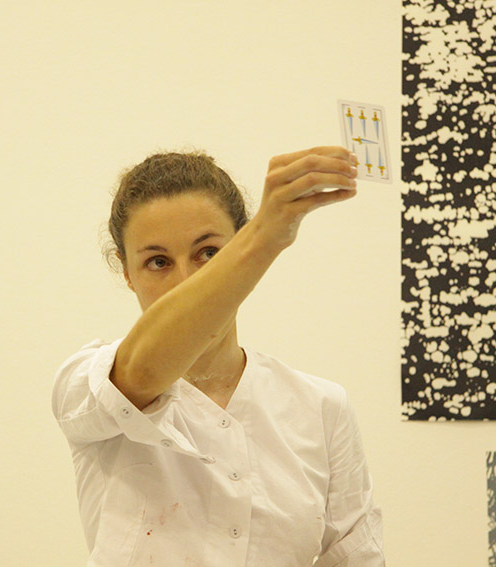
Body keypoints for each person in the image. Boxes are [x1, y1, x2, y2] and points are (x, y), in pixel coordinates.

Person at [52, 147, 385, 566]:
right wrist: (264, 237)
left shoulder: (321, 408)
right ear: (127, 272)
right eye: (158, 262)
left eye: (209, 253)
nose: (186, 281)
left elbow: (356, 558)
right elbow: (141, 372)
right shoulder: (86, 384)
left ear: (236, 250)